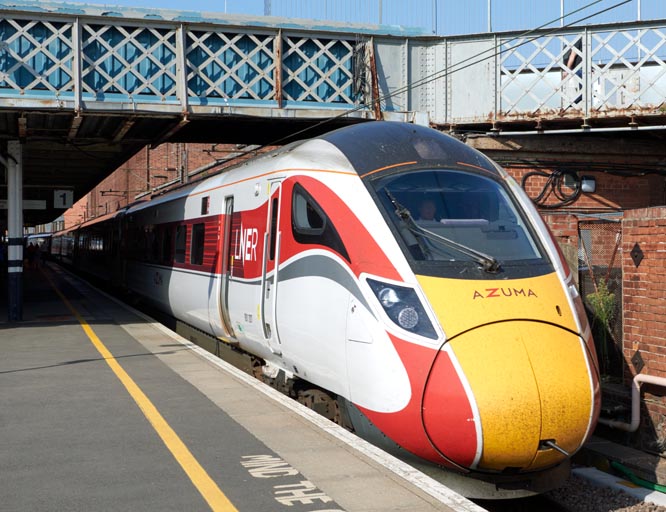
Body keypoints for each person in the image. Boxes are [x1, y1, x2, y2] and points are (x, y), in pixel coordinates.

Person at [563, 36, 583, 105]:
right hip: (580, 69)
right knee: (584, 92)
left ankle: (571, 104)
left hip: (582, 69)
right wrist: (566, 70)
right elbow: (572, 56)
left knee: (584, 92)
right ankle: (570, 105)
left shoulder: (583, 42)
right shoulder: (578, 41)